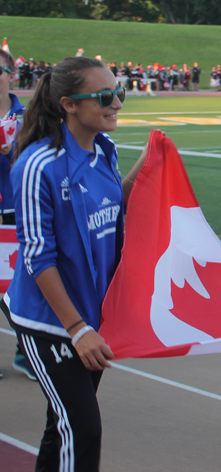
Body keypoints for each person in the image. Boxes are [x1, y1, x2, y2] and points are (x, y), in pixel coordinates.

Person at [0, 56, 151, 471]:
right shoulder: (37, 165)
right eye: (105, 97)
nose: (117, 103)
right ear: (69, 104)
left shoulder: (105, 150)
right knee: (82, 431)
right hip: (52, 322)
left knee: (63, 425)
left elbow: (107, 204)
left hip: (92, 316)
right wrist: (77, 328)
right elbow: (37, 255)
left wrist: (147, 168)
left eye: (118, 93)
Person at [0, 47, 36, 381]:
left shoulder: (26, 116)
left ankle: (26, 352)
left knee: (16, 283)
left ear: (11, 73)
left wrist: (14, 152)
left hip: (14, 209)